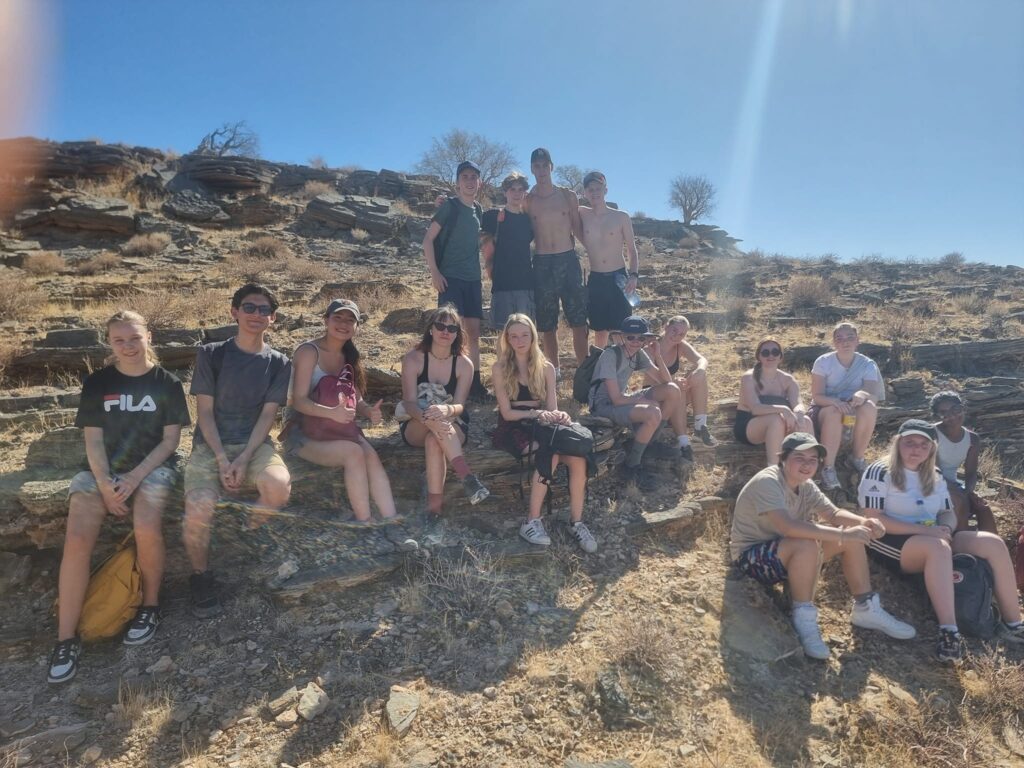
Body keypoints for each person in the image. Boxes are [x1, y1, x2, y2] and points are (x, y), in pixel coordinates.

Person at [48, 311, 190, 684]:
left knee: (145, 523)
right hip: (101, 472)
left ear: (149, 337)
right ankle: (65, 637)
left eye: (134, 338)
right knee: (77, 537)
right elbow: (93, 440)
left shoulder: (167, 383)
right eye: (119, 340)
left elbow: (170, 441)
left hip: (153, 468)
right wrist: (106, 483)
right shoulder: (98, 383)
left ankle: (150, 606)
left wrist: (133, 477)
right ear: (110, 343)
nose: (128, 346)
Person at [730, 432, 915, 661]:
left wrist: (864, 522)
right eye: (800, 457)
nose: (807, 464)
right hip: (751, 560)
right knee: (809, 543)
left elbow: (833, 513)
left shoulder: (806, 486)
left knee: (851, 539)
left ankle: (865, 607)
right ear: (783, 458)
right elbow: (788, 527)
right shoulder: (768, 481)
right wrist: (842, 535)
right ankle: (804, 617)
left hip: (788, 552)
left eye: (813, 459)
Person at [859, 419, 1024, 662]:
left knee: (991, 542)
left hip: (932, 537)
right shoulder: (880, 471)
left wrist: (946, 527)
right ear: (897, 443)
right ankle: (949, 631)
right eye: (910, 443)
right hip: (890, 540)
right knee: (937, 548)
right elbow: (872, 518)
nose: (916, 449)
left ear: (932, 449)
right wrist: (929, 533)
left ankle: (1013, 623)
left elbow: (946, 511)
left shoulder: (933, 474)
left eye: (923, 445)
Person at [182, 284, 293, 618]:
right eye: (249, 307)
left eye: (263, 310)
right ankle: (201, 576)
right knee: (199, 507)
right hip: (210, 445)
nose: (256, 315)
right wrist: (221, 458)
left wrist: (244, 457)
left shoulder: (279, 362)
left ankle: (248, 530)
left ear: (272, 319)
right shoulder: (211, 354)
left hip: (254, 444)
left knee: (278, 486)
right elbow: (203, 414)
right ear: (234, 312)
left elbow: (267, 416)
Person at [286, 299, 400, 524]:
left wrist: (368, 411)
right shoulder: (309, 352)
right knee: (354, 453)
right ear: (325, 320)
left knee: (371, 455)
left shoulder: (350, 356)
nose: (343, 324)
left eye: (350, 320)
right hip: (302, 433)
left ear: (357, 326)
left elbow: (354, 397)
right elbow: (297, 402)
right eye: (337, 317)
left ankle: (392, 519)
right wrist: (331, 413)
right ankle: (365, 521)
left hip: (339, 429)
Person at [491, 314, 597, 553]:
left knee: (579, 458)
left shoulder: (546, 367)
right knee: (550, 452)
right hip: (514, 426)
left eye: (524, 335)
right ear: (507, 339)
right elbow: (506, 414)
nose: (519, 340)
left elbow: (552, 407)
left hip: (541, 424)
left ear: (533, 336)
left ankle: (577, 522)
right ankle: (531, 520)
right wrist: (536, 415)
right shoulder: (500, 368)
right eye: (514, 336)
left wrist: (560, 416)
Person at [400, 305, 490, 522]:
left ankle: (434, 510)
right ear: (430, 329)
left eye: (452, 328)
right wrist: (428, 418)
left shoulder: (464, 364)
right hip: (416, 422)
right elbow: (409, 402)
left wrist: (445, 410)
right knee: (432, 426)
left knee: (434, 441)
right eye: (440, 326)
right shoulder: (413, 359)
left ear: (458, 334)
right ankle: (466, 476)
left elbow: (459, 406)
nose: (445, 332)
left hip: (452, 422)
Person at [589, 315, 694, 486]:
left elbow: (666, 382)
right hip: (604, 406)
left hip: (622, 399)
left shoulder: (638, 354)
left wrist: (658, 356)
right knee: (653, 412)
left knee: (673, 390)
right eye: (631, 337)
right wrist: (645, 402)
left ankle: (649, 443)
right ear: (622, 336)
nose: (636, 342)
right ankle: (632, 465)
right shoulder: (611, 355)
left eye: (641, 338)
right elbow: (615, 399)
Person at [422, 160, 489, 401]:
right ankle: (447, 383)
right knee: (448, 331)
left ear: (479, 182)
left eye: (474, 177)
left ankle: (475, 383)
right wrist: (435, 273)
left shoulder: (479, 210)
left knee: (473, 333)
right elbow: (428, 240)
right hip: (450, 278)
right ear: (457, 183)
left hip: (473, 279)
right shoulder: (449, 207)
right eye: (465, 177)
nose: (470, 181)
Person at [525, 148, 588, 375]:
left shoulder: (567, 196)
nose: (541, 170)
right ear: (532, 169)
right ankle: (555, 372)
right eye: (537, 166)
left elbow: (578, 228)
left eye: (545, 165)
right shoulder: (528, 200)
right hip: (542, 264)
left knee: (579, 319)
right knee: (546, 322)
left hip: (567, 260)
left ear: (552, 166)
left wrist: (595, 251)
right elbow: (518, 227)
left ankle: (584, 371)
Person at [810, 322, 884, 490]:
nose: (845, 342)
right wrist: (835, 402)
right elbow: (817, 396)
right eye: (840, 338)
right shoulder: (823, 362)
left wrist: (862, 394)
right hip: (826, 409)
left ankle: (857, 457)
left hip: (853, 409)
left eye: (850, 337)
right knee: (835, 413)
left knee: (870, 407)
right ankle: (828, 467)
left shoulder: (867, 364)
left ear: (858, 340)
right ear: (834, 343)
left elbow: (873, 394)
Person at [579, 171, 638, 348]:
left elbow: (632, 250)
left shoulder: (621, 217)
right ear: (585, 193)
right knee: (599, 329)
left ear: (606, 190)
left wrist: (634, 275)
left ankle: (621, 370)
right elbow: (562, 206)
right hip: (596, 278)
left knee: (621, 328)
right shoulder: (582, 213)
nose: (595, 192)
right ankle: (600, 368)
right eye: (590, 189)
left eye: (598, 188)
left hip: (618, 277)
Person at [734, 338, 814, 466]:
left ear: (780, 357)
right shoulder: (749, 377)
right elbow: (755, 408)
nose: (770, 355)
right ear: (759, 357)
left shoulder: (788, 380)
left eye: (775, 352)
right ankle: (774, 469)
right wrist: (784, 409)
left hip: (779, 425)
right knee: (775, 420)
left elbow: (798, 403)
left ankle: (805, 468)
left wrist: (799, 414)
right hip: (749, 426)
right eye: (765, 353)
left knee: (806, 421)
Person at [930, 390, 997, 534]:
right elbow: (934, 470)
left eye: (956, 409)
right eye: (944, 413)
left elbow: (971, 472)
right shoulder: (932, 433)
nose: (952, 416)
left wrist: (969, 491)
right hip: (931, 482)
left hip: (954, 484)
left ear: (963, 408)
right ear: (937, 416)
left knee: (982, 507)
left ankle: (992, 546)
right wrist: (958, 493)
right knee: (958, 500)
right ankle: (962, 542)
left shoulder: (973, 439)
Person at [645, 315, 717, 447]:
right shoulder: (651, 346)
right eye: (674, 330)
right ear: (666, 326)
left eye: (682, 334)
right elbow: (657, 376)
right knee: (677, 385)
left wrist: (700, 370)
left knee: (699, 374)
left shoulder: (680, 346)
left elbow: (702, 360)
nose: (677, 336)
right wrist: (676, 382)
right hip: (654, 397)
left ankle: (700, 427)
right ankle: (683, 441)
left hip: (673, 393)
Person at [481, 172, 535, 328]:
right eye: (512, 189)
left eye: (520, 189)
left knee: (525, 334)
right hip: (501, 284)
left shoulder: (528, 220)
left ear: (525, 192)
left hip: (525, 284)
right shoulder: (492, 217)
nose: (516, 193)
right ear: (505, 192)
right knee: (503, 335)